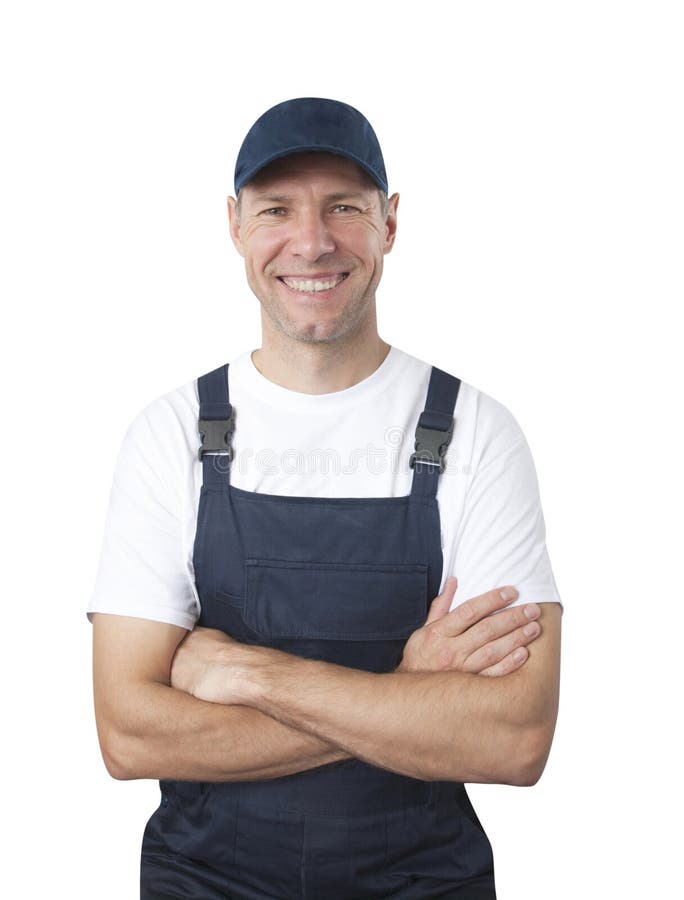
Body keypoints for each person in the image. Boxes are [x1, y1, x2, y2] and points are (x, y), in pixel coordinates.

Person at [89, 97, 562, 900]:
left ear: (390, 223)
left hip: (423, 883)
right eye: (277, 209)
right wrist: (409, 695)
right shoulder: (168, 435)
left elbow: (513, 739)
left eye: (344, 206)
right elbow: (129, 736)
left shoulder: (479, 433)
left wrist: (247, 672)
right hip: (203, 883)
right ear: (235, 225)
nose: (312, 241)